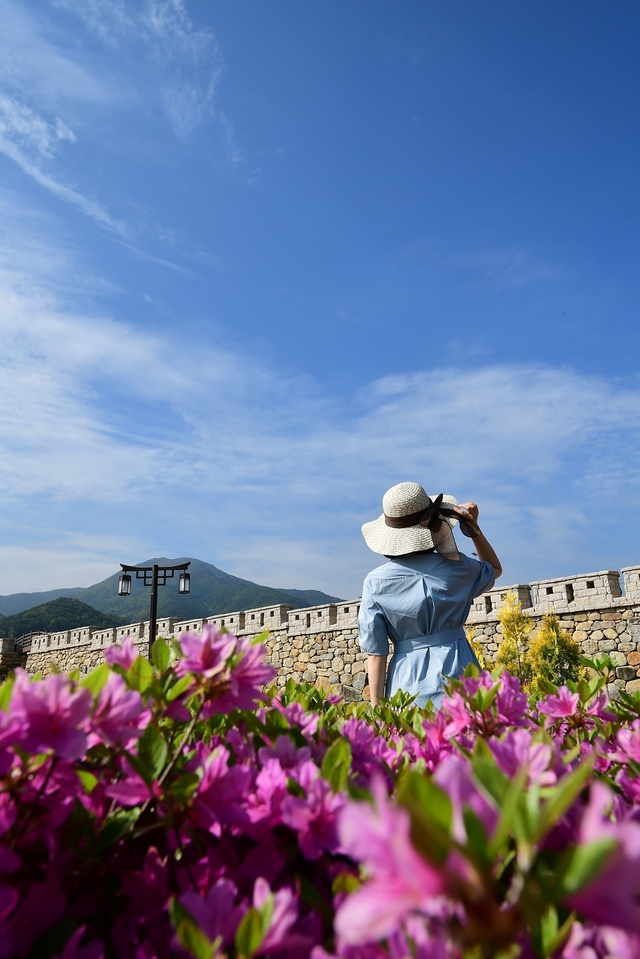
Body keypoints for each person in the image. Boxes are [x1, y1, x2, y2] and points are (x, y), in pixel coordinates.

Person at [358, 481, 502, 708]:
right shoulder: (460, 567)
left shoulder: (375, 583)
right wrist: (474, 529)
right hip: (461, 672)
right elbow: (494, 569)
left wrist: (377, 711)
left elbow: (376, 654)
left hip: (407, 681)